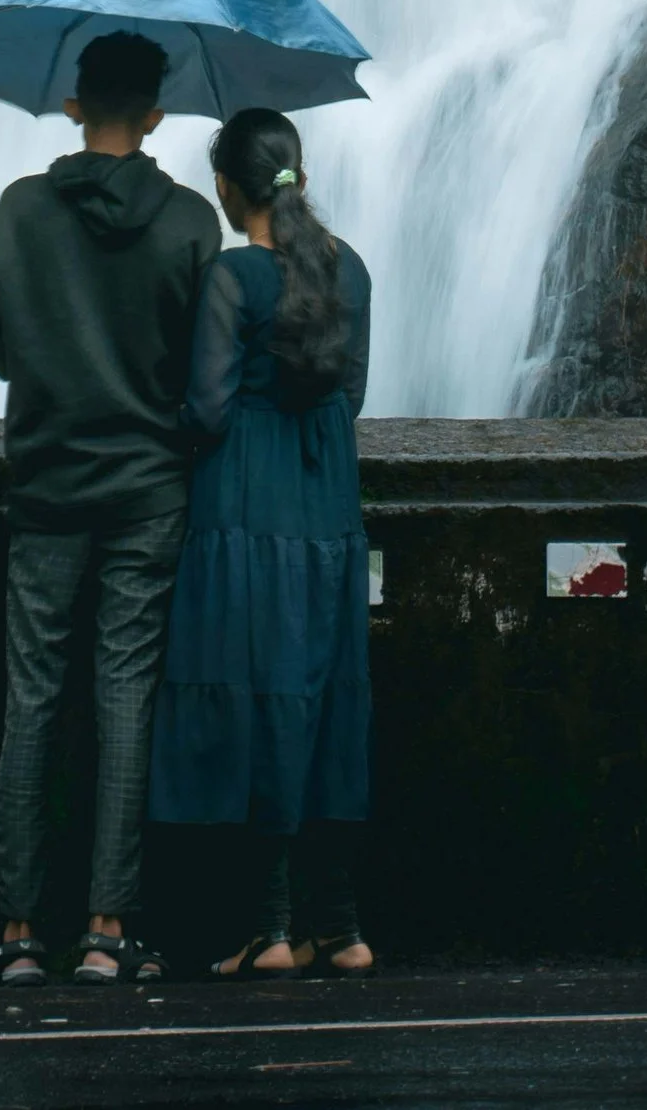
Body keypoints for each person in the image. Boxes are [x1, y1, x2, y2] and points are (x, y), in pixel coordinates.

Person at [0, 27, 220, 988]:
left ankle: (16, 933)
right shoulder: (192, 221)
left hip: (44, 483)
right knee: (125, 696)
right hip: (148, 486)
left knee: (31, 697)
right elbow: (204, 369)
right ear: (155, 114)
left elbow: (2, 346)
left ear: (74, 105)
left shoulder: (21, 209)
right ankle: (109, 930)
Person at [148, 106, 375, 976]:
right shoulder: (348, 268)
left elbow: (205, 410)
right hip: (327, 504)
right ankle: (343, 926)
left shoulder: (235, 276)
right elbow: (349, 396)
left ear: (225, 188)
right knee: (325, 699)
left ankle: (270, 928)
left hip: (247, 501)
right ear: (301, 178)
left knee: (259, 699)